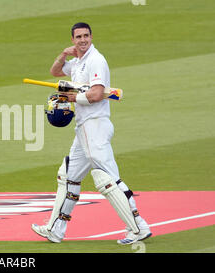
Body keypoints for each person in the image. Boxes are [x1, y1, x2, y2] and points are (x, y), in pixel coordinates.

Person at [31, 22, 152, 245]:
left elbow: (96, 94)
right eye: (78, 37)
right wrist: (63, 55)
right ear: (73, 39)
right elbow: (56, 72)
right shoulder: (78, 62)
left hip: (94, 125)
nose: (83, 40)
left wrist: (70, 98)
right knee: (68, 176)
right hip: (84, 128)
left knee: (107, 179)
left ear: (91, 36)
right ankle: (55, 229)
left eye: (86, 36)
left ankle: (137, 228)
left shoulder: (96, 60)